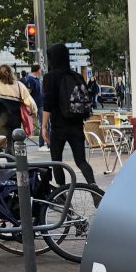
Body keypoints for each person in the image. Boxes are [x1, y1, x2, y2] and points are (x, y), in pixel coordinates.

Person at [42, 43, 97, 185]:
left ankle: (63, 195)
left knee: (56, 161)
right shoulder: (77, 76)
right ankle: (93, 188)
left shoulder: (50, 77)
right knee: (81, 161)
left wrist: (43, 127)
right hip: (76, 124)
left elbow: (48, 103)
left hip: (58, 126)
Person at [23, 64, 47, 151]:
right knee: (44, 124)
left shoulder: (37, 79)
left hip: (41, 104)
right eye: (40, 69)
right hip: (37, 105)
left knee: (45, 124)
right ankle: (42, 145)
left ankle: (45, 144)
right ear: (37, 70)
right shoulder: (30, 79)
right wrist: (29, 106)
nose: (41, 71)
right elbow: (27, 93)